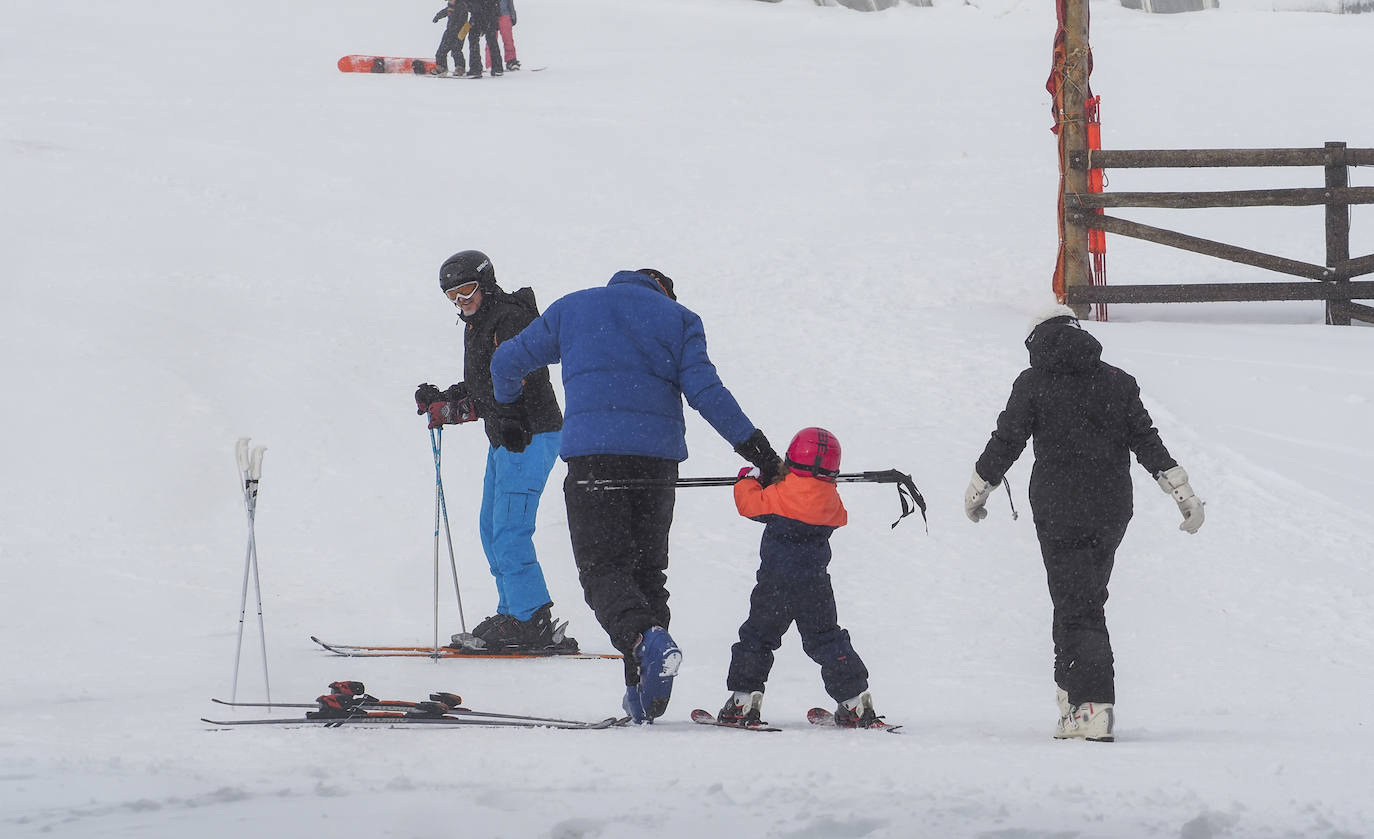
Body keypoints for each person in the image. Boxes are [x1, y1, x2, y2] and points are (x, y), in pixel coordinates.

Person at [489, 268, 785, 723]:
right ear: (663, 290)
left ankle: (646, 645)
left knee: (604, 570)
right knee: (647, 574)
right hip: (656, 465)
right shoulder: (679, 318)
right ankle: (640, 692)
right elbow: (707, 392)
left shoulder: (574, 307)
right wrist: (759, 452)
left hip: (594, 461)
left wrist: (509, 409)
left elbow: (505, 360)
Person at [964, 305, 1205, 743]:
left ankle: (1092, 707)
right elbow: (1146, 440)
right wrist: (1181, 490)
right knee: (1077, 599)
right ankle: (1071, 701)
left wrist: (980, 486)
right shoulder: (1117, 381)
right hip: (1111, 509)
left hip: (1059, 510)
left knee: (1080, 606)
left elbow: (1007, 440)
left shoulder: (1033, 382)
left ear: (1036, 340)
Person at [415, 249, 570, 652]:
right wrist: (445, 401)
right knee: (491, 527)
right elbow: (486, 386)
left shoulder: (510, 318)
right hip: (505, 437)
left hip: (531, 435)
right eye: (452, 297)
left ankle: (530, 619)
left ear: (484, 283)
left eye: (466, 291)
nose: (461, 303)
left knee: (509, 530)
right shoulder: (479, 323)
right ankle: (513, 611)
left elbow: (528, 376)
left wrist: (517, 419)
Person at [717, 427, 889, 729]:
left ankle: (743, 700)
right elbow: (831, 509)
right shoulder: (830, 501)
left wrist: (747, 478)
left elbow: (748, 504)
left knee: (757, 638)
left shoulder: (778, 495)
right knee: (827, 639)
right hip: (816, 586)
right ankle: (853, 702)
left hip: (774, 585)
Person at [465, 0, 503, 78]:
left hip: (479, 13)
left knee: (474, 39)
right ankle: (497, 67)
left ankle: (476, 68)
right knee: (491, 40)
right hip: (489, 12)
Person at [431, 0, 469, 77]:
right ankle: (442, 67)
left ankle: (460, 67)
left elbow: (462, 20)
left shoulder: (462, 6)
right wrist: (438, 16)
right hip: (450, 30)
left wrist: (457, 29)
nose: (449, 1)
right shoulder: (451, 7)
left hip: (460, 31)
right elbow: (446, 11)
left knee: (456, 50)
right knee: (441, 50)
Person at [487, 0, 520, 71]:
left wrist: (512, 13)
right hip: (490, 14)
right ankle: (491, 62)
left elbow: (510, 2)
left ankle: (511, 60)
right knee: (491, 39)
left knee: (508, 38)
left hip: (504, 13)